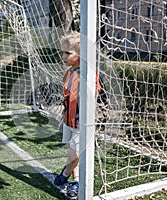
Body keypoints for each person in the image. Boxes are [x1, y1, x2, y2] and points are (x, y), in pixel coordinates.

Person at [54, 31, 101, 198]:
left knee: (75, 152)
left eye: (68, 53)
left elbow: (95, 92)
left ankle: (65, 173)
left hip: (82, 122)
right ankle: (76, 178)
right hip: (68, 120)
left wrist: (88, 90)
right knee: (70, 150)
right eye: (62, 53)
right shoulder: (67, 73)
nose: (63, 56)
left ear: (81, 54)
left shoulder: (88, 73)